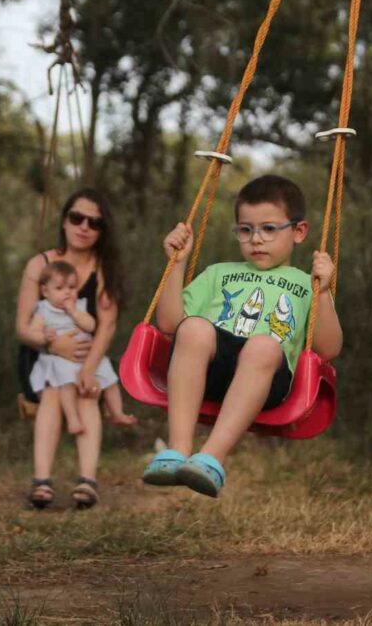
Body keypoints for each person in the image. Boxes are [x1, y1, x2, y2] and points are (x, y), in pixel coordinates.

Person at [141, 175, 343, 498]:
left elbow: (328, 349)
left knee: (262, 345)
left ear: (299, 232)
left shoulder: (307, 284)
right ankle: (177, 451)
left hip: (266, 377)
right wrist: (176, 265)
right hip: (211, 371)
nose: (256, 239)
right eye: (246, 230)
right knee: (193, 327)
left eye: (269, 228)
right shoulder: (218, 273)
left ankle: (211, 459)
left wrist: (322, 293)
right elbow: (168, 324)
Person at [15, 189, 136, 510]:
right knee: (55, 394)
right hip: (43, 356)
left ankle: (87, 481)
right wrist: (55, 344)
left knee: (88, 392)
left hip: (90, 357)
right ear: (65, 221)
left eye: (94, 223)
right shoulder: (40, 264)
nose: (84, 227)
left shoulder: (102, 269)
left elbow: (107, 325)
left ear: (102, 231)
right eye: (76, 218)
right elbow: (23, 328)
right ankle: (42, 480)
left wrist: (86, 369)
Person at [28, 260, 116, 435]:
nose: (67, 293)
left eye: (72, 287)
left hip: (86, 358)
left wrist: (73, 312)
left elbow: (91, 326)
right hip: (62, 359)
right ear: (46, 291)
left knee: (109, 374)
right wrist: (45, 337)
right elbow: (33, 332)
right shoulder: (43, 311)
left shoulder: (79, 306)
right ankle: (73, 419)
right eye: (60, 288)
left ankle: (116, 412)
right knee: (65, 383)